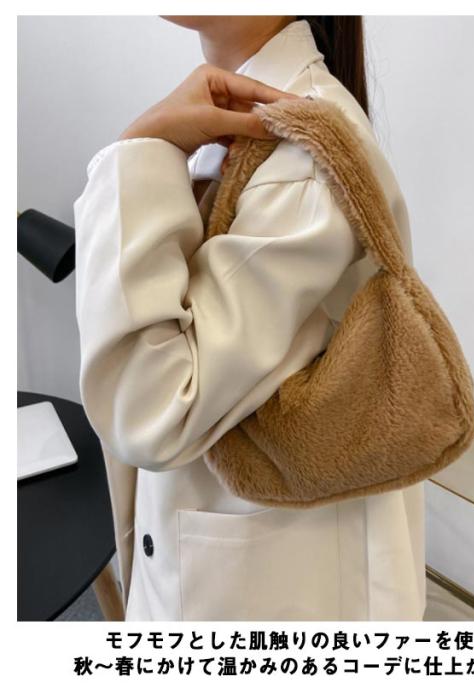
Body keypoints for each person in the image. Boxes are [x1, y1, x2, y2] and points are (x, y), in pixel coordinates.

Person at [74, 15, 426, 621]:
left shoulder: (300, 160)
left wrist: (139, 150)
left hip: (266, 598)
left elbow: (151, 409)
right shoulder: (239, 122)